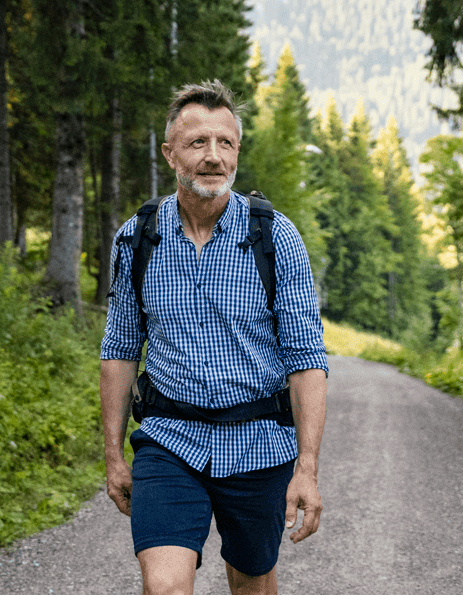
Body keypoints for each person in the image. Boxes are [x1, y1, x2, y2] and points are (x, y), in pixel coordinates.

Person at [100, 79, 328, 595]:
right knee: (164, 588)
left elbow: (307, 359)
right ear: (170, 154)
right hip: (168, 442)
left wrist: (307, 468)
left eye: (225, 143)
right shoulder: (137, 238)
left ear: (238, 152)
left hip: (259, 446)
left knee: (251, 583)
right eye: (197, 143)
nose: (213, 156)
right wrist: (114, 455)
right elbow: (118, 351)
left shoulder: (274, 237)